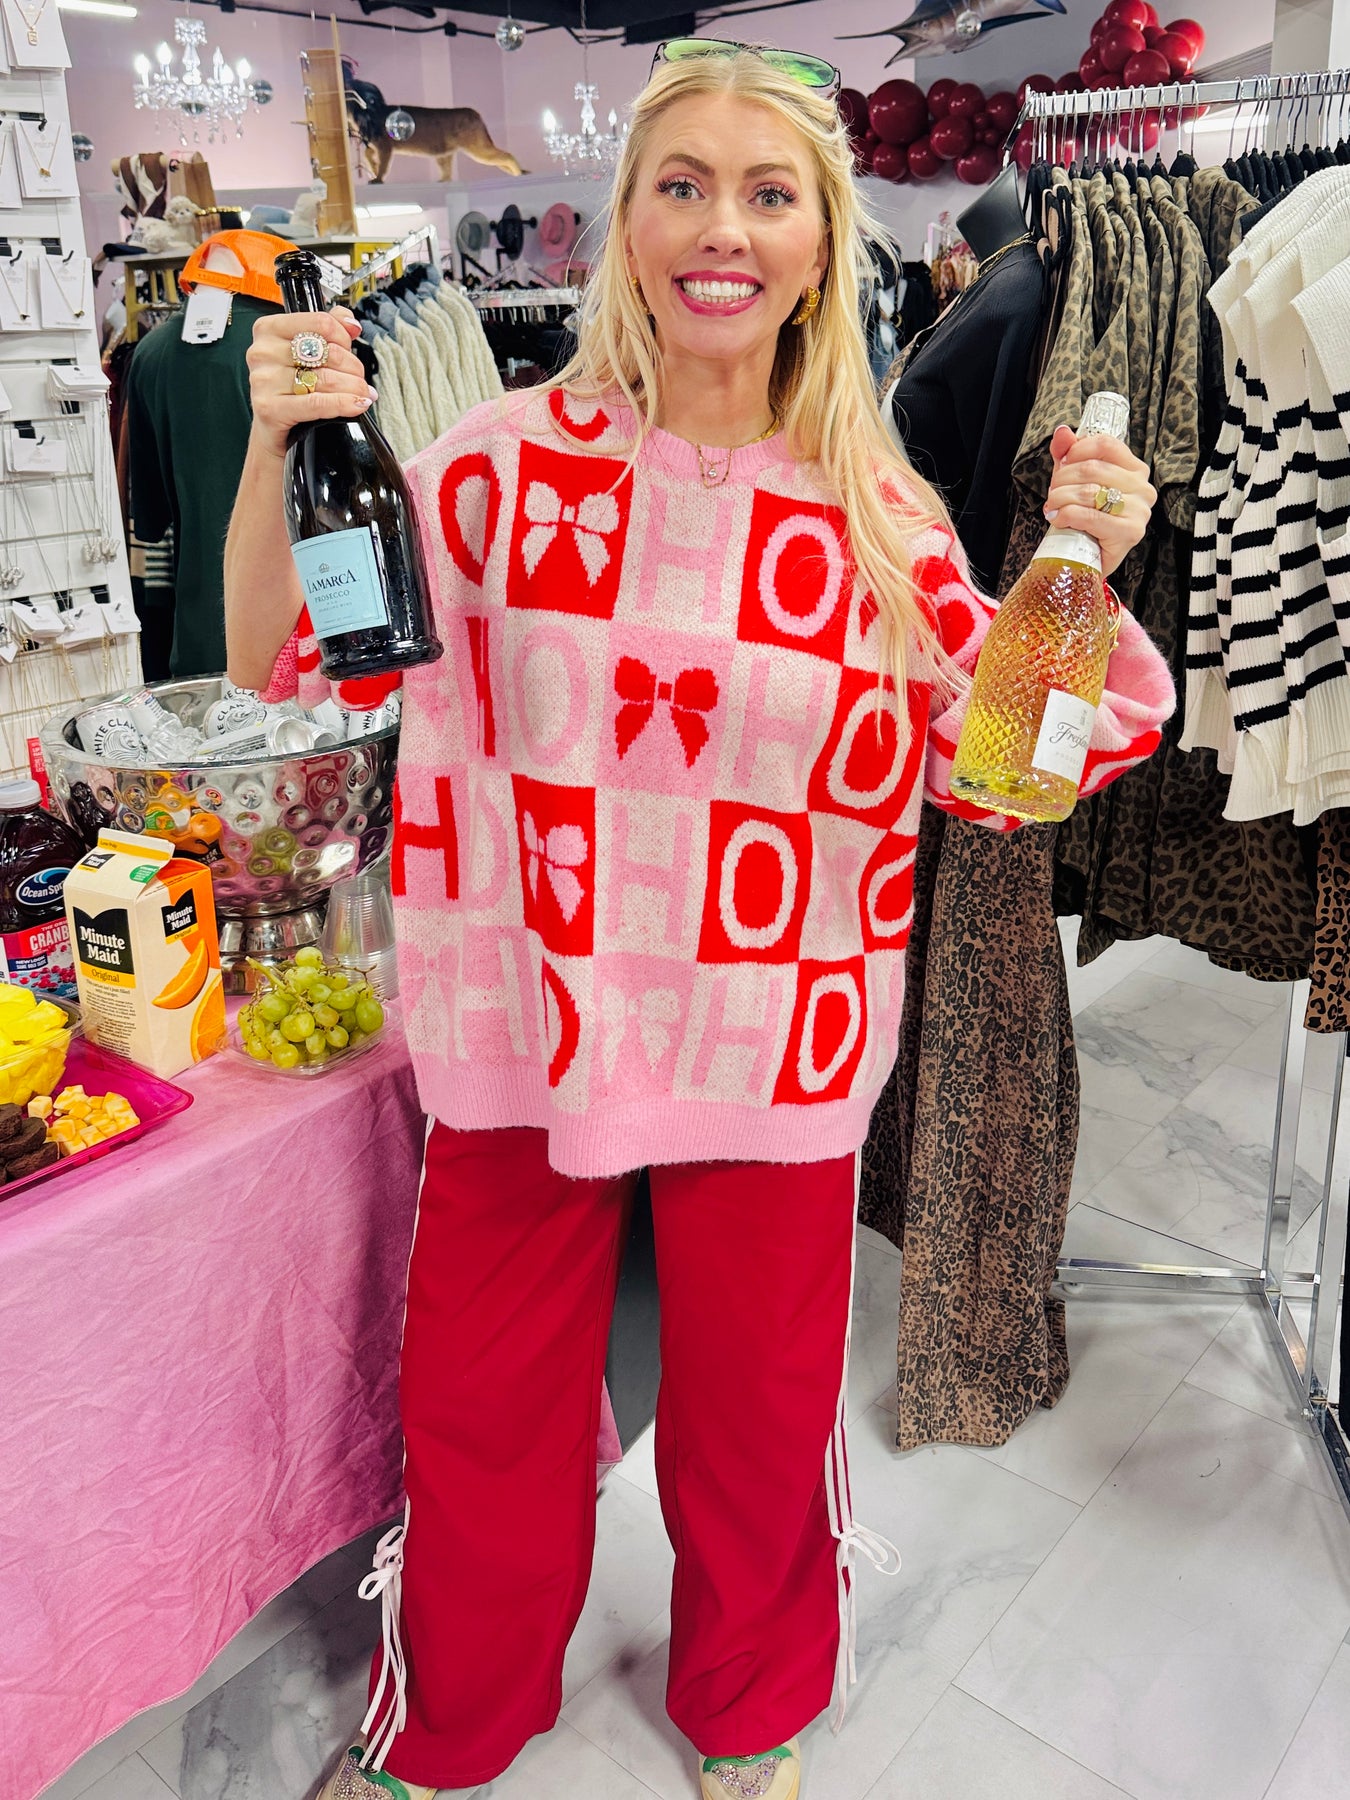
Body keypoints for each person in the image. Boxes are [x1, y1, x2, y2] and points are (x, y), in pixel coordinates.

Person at [223, 40, 1172, 1800]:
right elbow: (291, 660)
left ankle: (751, 1704)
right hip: (523, 1026)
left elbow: (1009, 775)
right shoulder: (495, 473)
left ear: (819, 244)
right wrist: (278, 445)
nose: (719, 228)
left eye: (765, 192)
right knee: (480, 1410)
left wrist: (1080, 575)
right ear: (626, 225)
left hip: (769, 1043)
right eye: (681, 186)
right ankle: (454, 1717)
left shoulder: (878, 519)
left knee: (753, 1424)